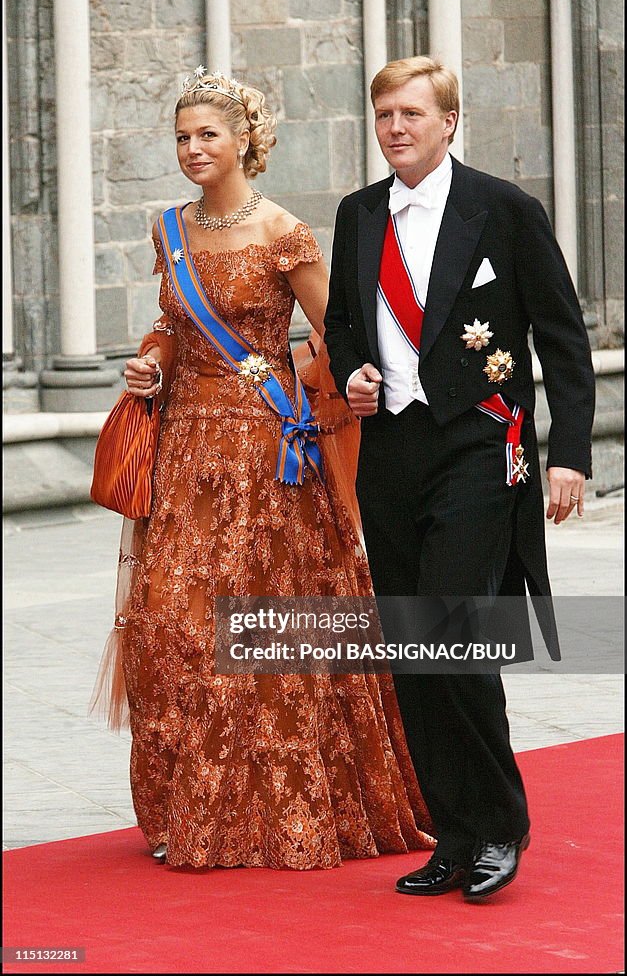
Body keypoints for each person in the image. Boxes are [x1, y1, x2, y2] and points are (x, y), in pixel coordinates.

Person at [91, 67, 436, 869]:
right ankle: (187, 801)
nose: (191, 149)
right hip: (185, 451)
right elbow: (172, 328)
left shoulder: (284, 230)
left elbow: (335, 335)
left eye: (206, 134)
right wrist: (150, 362)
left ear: (245, 139)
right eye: (181, 137)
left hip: (265, 452)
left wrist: (327, 393)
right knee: (170, 625)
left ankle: (274, 807)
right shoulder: (167, 229)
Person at [324, 56, 595, 901]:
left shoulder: (502, 210)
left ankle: (498, 826)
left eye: (411, 113)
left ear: (448, 121)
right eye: (383, 115)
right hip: (392, 454)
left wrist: (570, 455)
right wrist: (353, 373)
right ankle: (453, 834)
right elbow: (340, 322)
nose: (395, 128)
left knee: (450, 631)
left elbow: (562, 337)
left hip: (480, 445)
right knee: (412, 649)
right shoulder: (358, 213)